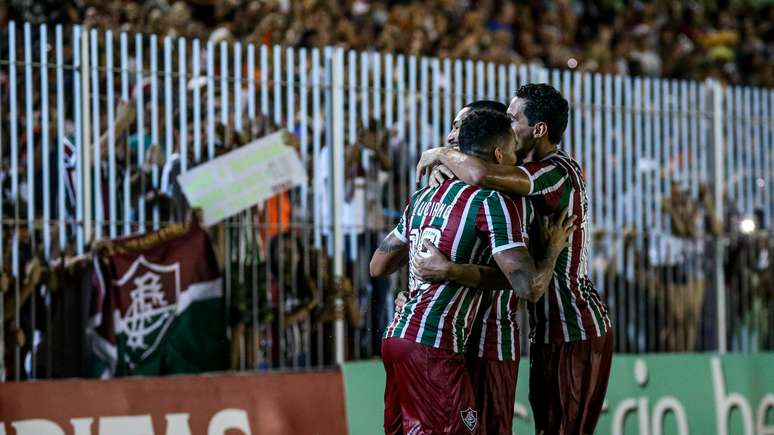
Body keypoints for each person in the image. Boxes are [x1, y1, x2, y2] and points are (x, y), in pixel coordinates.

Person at [417, 83, 613, 435]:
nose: (507, 127)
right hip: (547, 330)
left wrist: (440, 154)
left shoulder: (554, 171)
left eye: (512, 118)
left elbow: (480, 172)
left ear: (538, 130)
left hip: (574, 327)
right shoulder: (523, 169)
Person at [370, 109, 574, 434]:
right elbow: (528, 286)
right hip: (442, 342)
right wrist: (551, 252)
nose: (516, 158)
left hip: (399, 337)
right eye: (511, 151)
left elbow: (377, 265)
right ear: (498, 154)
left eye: (456, 129)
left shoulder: (423, 196)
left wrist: (432, 274)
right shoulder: (494, 201)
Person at [410, 99, 533, 434]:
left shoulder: (504, 187)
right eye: (452, 128)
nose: (452, 137)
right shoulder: (441, 189)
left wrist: (440, 154)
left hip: (491, 339)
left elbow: (525, 282)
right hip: (448, 340)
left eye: (460, 128)